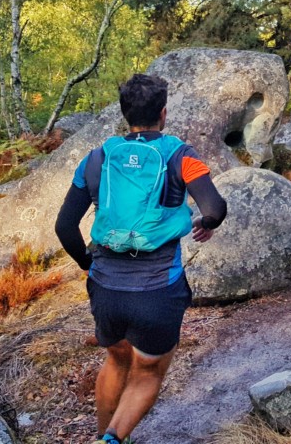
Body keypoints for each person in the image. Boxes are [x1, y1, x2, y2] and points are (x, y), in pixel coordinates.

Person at [54, 74, 227, 444]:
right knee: (148, 372)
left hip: (105, 286)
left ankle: (104, 434)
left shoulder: (97, 158)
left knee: (116, 360)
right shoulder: (181, 155)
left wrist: (88, 264)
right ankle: (113, 439)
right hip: (157, 289)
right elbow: (214, 206)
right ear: (163, 113)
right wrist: (206, 223)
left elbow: (65, 227)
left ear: (124, 114)